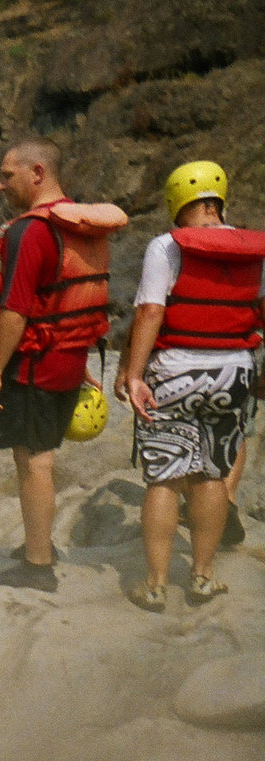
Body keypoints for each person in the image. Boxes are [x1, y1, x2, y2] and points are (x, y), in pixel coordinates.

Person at [0, 136, 125, 592]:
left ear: (36, 172)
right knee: (41, 456)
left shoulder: (31, 231)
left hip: (36, 366)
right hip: (70, 360)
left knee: (35, 460)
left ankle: (38, 564)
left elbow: (15, 309)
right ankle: (37, 543)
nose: (1, 185)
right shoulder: (84, 226)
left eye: (7, 174)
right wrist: (79, 366)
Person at [112, 160, 265, 610]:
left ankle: (156, 584)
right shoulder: (255, 250)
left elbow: (150, 312)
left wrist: (134, 374)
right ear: (220, 201)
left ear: (177, 204)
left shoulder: (166, 246)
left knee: (165, 476)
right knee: (214, 474)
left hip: (174, 371)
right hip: (234, 371)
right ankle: (202, 576)